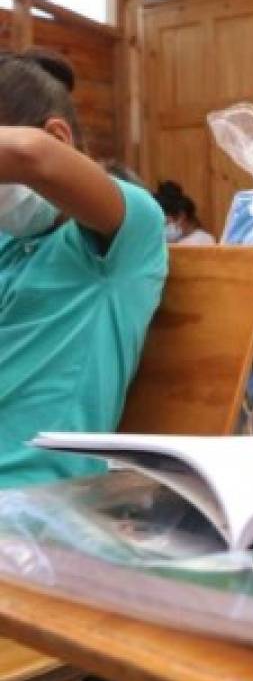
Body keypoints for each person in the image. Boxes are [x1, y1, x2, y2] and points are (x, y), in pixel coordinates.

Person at [0, 49, 167, 487]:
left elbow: (31, 154)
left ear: (59, 137)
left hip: (34, 495)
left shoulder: (126, 230)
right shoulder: (9, 245)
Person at [154, 180, 214, 245]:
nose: (165, 228)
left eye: (167, 223)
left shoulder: (202, 240)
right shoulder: (175, 238)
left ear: (181, 216)